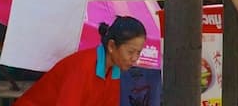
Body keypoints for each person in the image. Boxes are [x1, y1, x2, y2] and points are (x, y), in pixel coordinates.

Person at [13, 16, 147, 106]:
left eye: (138, 52)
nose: (135, 58)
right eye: (130, 52)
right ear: (112, 46)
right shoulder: (82, 67)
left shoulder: (115, 71)